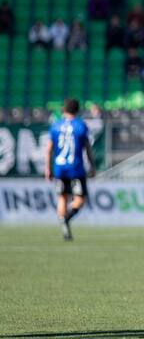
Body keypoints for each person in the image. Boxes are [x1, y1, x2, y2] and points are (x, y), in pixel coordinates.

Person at [44, 98, 96, 241]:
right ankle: (68, 217)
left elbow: (49, 149)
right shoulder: (81, 125)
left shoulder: (55, 125)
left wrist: (47, 168)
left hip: (59, 169)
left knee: (62, 197)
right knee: (80, 199)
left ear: (64, 110)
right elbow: (87, 148)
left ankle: (63, 223)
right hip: (76, 169)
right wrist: (92, 166)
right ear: (77, 110)